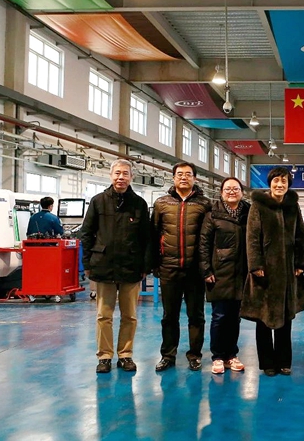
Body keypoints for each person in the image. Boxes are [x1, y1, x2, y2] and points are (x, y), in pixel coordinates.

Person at [80, 159, 151, 374]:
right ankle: (104, 356)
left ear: (131, 177)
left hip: (131, 267)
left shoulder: (139, 204)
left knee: (130, 316)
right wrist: (87, 263)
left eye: (125, 173)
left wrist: (145, 266)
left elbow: (146, 237)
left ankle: (125, 354)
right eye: (117, 173)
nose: (121, 177)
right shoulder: (98, 201)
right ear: (111, 176)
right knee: (104, 315)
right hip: (104, 266)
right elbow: (86, 233)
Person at [241, 167, 304, 377]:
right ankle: (267, 363)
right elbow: (252, 237)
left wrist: (300, 262)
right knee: (263, 318)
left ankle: (283, 361)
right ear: (269, 183)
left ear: (288, 184)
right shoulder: (259, 205)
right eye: (276, 181)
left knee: (285, 318)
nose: (280, 185)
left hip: (288, 272)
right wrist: (256, 265)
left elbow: (301, 236)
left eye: (284, 181)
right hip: (264, 272)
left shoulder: (292, 206)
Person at [152, 162, 211, 372]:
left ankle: (195, 355)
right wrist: (155, 264)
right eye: (179, 174)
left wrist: (207, 266)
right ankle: (168, 355)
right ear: (173, 177)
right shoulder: (161, 203)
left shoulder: (205, 204)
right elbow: (154, 234)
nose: (183, 177)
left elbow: (209, 237)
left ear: (194, 178)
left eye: (188, 174)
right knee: (169, 316)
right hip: (169, 268)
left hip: (195, 269)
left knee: (196, 316)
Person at [199, 177, 251, 375]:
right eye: (227, 189)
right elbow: (204, 244)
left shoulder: (249, 213)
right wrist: (206, 270)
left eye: (235, 189)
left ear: (242, 192)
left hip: (242, 272)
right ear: (221, 193)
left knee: (235, 317)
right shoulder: (212, 214)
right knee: (219, 316)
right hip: (219, 272)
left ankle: (232, 355)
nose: (231, 192)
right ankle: (218, 356)